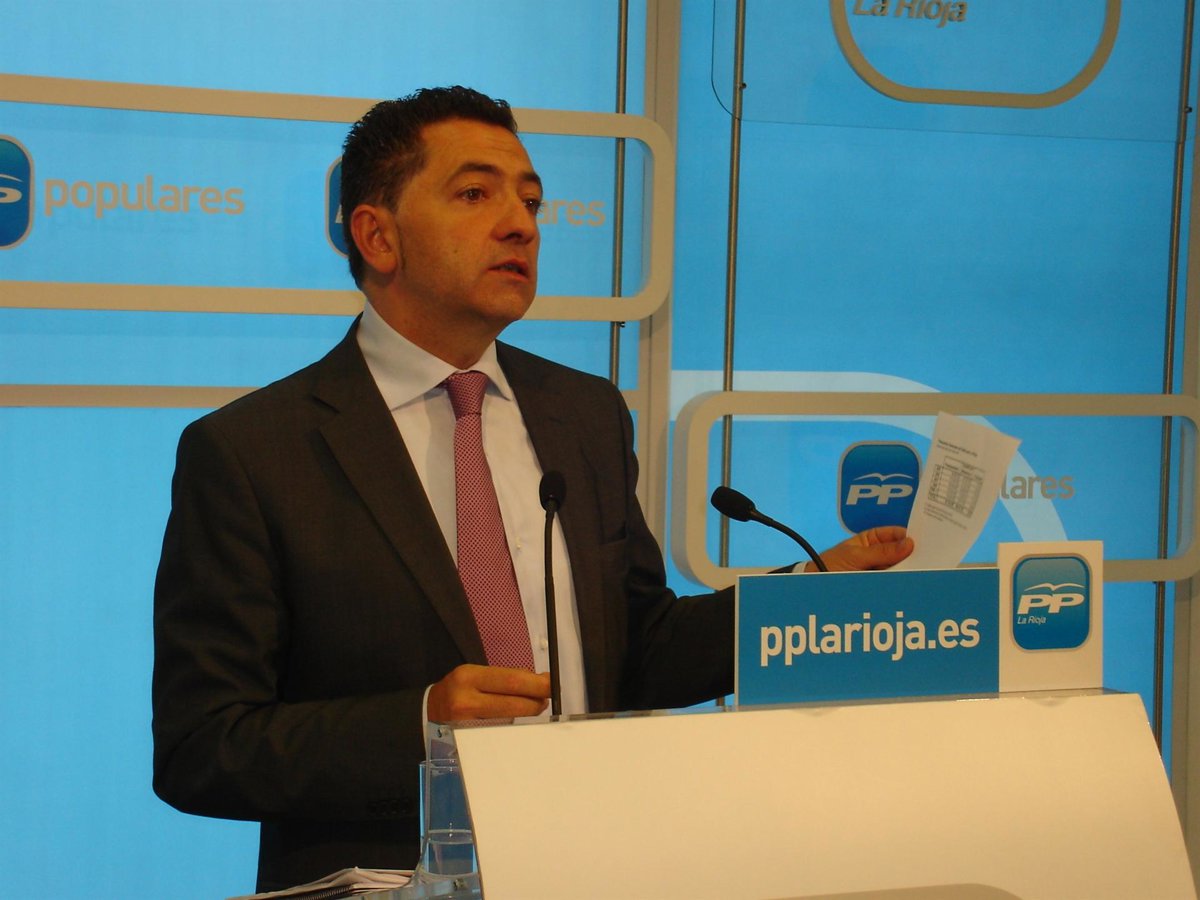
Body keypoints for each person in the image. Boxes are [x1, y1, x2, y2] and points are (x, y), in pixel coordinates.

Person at [151, 86, 913, 892]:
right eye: (475, 194)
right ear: (377, 236)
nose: (521, 224)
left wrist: (806, 598)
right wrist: (421, 725)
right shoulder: (254, 452)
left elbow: (639, 650)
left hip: (593, 867)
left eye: (531, 200)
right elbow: (203, 746)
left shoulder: (583, 413)